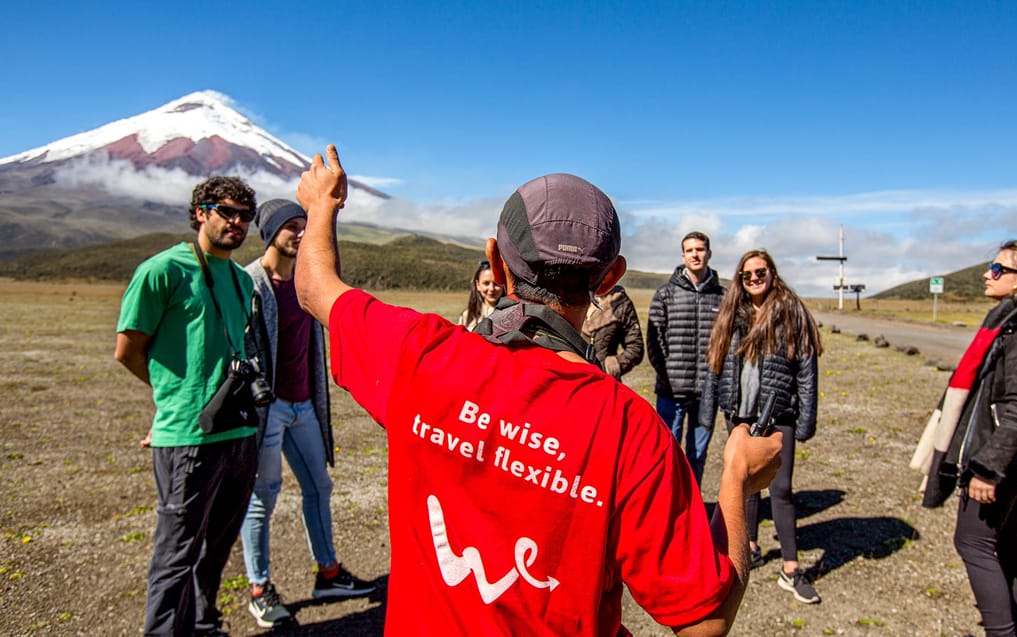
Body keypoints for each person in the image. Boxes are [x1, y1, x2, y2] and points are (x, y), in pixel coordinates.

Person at [292, 145, 783, 635]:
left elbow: (315, 287)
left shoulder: (420, 355)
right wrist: (736, 480)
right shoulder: (632, 430)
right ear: (611, 279)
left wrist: (322, 205)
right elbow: (705, 622)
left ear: (496, 262)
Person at [912, 239, 1017, 637]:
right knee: (1005, 540)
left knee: (972, 541)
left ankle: (1004, 631)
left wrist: (988, 468)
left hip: (1005, 457)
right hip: (1013, 455)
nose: (986, 275)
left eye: (996, 269)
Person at [114, 176, 261, 636]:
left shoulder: (240, 279)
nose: (236, 222)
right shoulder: (163, 271)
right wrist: (172, 401)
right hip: (189, 436)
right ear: (201, 212)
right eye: (226, 212)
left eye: (244, 216)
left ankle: (202, 622)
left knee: (216, 546)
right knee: (175, 553)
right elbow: (128, 348)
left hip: (238, 434)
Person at [239, 199, 375, 628]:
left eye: (306, 225)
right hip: (268, 410)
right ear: (271, 233)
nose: (301, 233)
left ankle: (328, 573)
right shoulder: (250, 284)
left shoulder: (305, 284)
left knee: (319, 485)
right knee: (263, 497)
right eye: (292, 226)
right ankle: (259, 588)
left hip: (303, 406)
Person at [700, 250, 823, 604]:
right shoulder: (730, 314)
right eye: (747, 274)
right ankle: (749, 547)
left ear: (772, 273)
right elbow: (715, 366)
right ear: (739, 279)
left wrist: (806, 420)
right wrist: (709, 413)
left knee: (781, 489)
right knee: (745, 484)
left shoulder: (791, 311)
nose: (754, 278)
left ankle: (790, 567)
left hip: (778, 413)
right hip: (738, 413)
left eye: (760, 272)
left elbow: (806, 368)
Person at [647, 231, 725, 484]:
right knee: (665, 454)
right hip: (671, 393)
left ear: (709, 254)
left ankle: (692, 513)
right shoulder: (665, 294)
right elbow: (654, 342)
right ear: (683, 255)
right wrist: (667, 375)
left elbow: (728, 343)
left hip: (706, 393)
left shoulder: (723, 297)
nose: (695, 254)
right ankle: (666, 512)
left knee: (697, 455)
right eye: (690, 250)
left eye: (700, 249)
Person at [581, 284, 644, 381]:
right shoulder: (574, 296)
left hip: (606, 382)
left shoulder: (620, 302)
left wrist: (611, 366)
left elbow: (635, 347)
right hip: (576, 381)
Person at [457, 260, 504, 328]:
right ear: (478, 285)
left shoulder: (511, 315)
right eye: (486, 283)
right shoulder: (467, 316)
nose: (491, 288)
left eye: (496, 284)